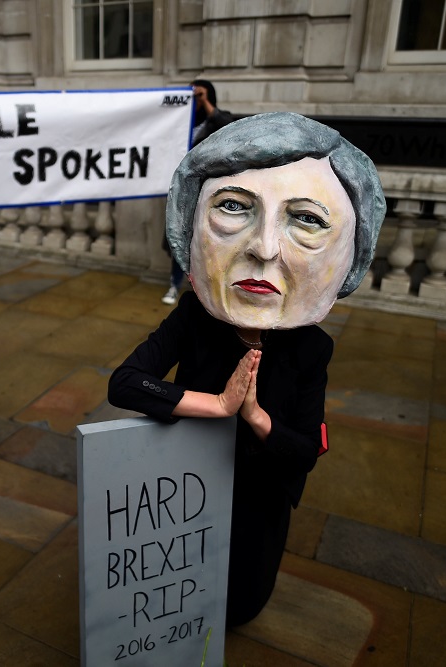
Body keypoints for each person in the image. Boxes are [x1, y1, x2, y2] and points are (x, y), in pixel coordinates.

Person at [110, 112, 386, 627]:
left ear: (349, 260)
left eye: (306, 219)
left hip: (261, 495)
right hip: (185, 483)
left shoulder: (310, 350)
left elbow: (305, 449)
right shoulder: (194, 318)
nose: (263, 248)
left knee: (242, 596)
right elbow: (126, 383)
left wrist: (256, 416)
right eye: (234, 208)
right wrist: (215, 405)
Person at [162, 79, 235, 305]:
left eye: (199, 95)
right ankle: (175, 285)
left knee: (207, 240)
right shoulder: (182, 122)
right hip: (183, 191)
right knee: (179, 238)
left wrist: (205, 103)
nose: (195, 99)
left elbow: (228, 128)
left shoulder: (217, 120)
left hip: (207, 191)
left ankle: (206, 289)